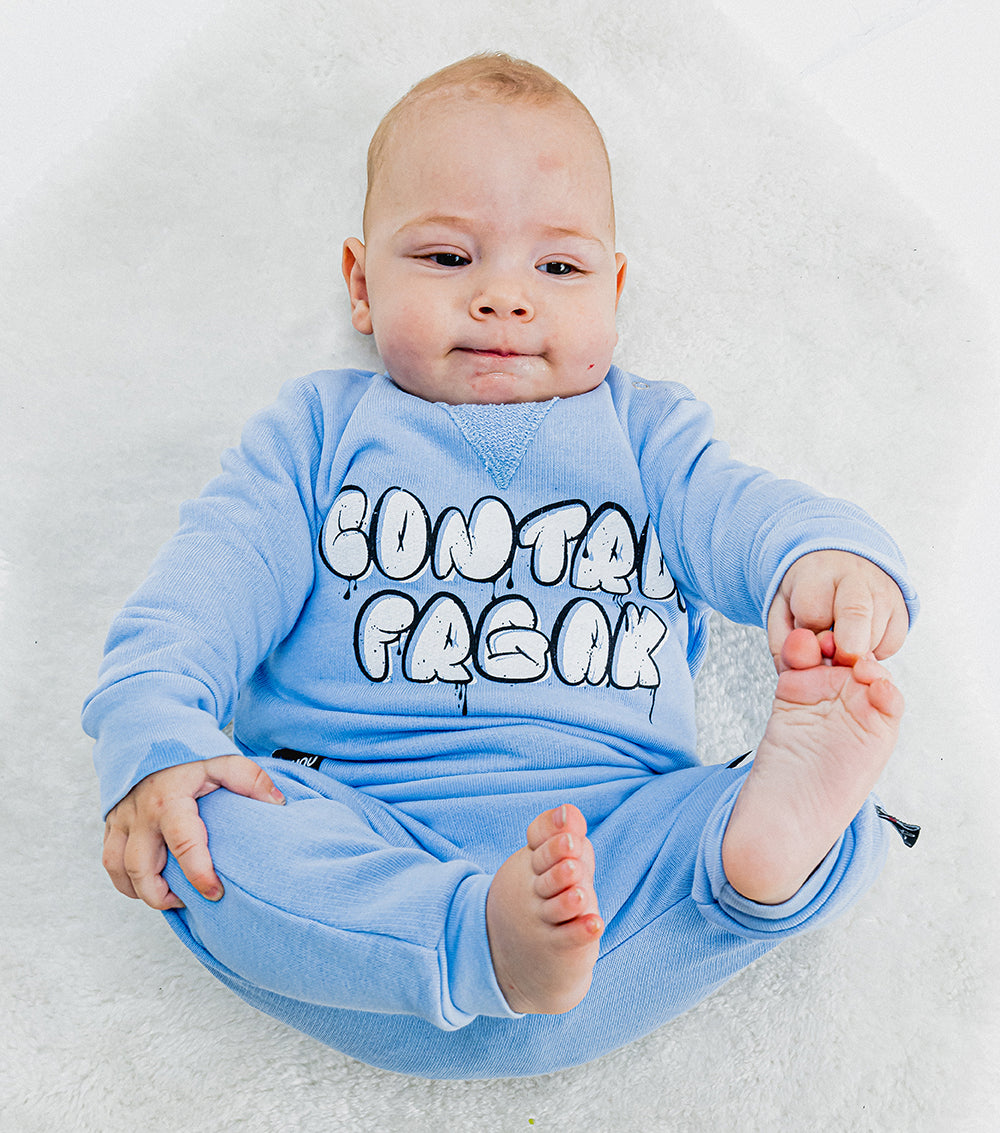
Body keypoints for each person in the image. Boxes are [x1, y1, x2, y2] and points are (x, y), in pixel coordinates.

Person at [83, 53, 918, 1079]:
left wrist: (821, 557)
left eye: (558, 270)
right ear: (361, 283)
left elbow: (742, 512)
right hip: (368, 847)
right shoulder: (316, 434)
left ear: (615, 290)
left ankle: (756, 851)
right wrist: (155, 736)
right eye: (447, 257)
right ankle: (481, 935)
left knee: (778, 818)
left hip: (609, 843)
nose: (504, 299)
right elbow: (194, 602)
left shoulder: (646, 435)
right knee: (207, 830)